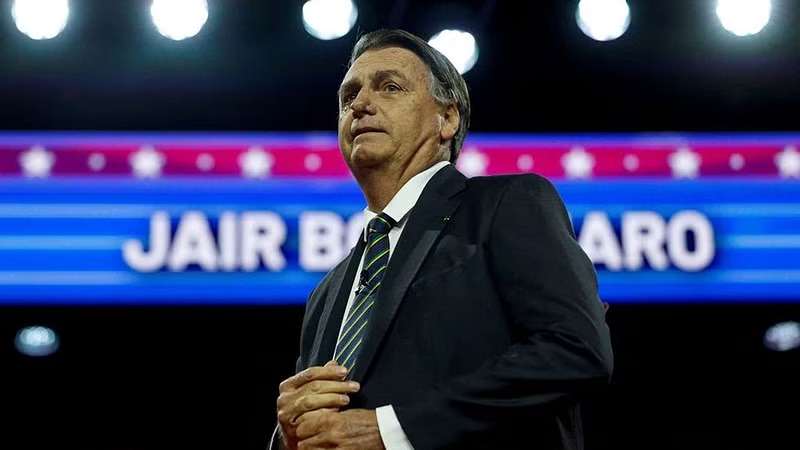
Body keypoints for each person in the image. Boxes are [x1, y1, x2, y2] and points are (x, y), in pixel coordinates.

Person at [269, 28, 613, 450]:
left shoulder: (505, 204)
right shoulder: (327, 292)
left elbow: (575, 350)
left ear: (446, 120)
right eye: (348, 97)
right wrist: (291, 435)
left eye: (390, 87)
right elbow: (328, 430)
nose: (359, 105)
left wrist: (392, 430)